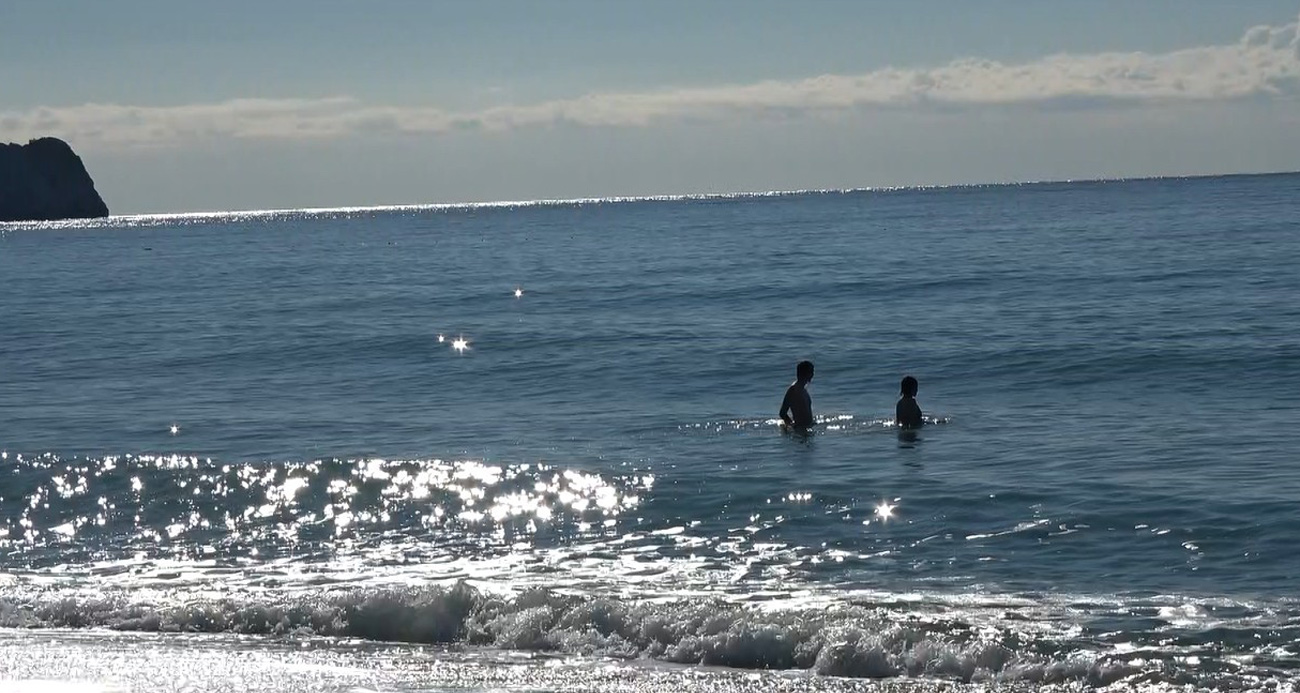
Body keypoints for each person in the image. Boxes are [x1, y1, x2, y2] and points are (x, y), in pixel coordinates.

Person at [779, 360, 815, 430]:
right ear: (805, 373)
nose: (812, 374)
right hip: (800, 430)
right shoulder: (793, 390)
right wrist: (792, 426)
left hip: (807, 428)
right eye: (811, 372)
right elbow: (782, 413)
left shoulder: (803, 389)